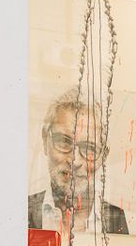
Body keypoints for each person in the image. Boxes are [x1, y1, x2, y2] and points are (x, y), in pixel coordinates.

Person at [29, 92, 129, 235]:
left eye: (89, 148)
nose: (74, 160)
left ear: (103, 156)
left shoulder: (116, 219)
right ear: (45, 141)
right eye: (64, 141)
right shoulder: (23, 211)